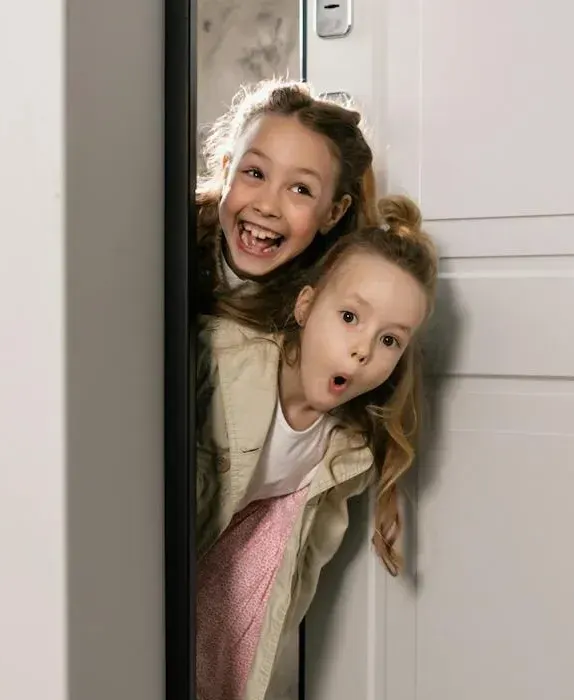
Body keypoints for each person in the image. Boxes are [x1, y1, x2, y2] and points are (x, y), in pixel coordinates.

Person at [194, 197, 439, 700]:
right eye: (350, 316)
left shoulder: (344, 452)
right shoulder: (219, 358)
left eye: (390, 340)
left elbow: (287, 583)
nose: (363, 349)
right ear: (306, 306)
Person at [192, 79, 381, 318]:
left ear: (333, 214)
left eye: (300, 189)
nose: (267, 206)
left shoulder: (326, 310)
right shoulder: (164, 246)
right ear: (227, 169)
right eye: (255, 173)